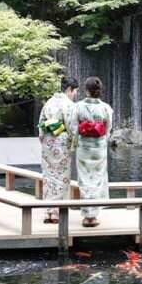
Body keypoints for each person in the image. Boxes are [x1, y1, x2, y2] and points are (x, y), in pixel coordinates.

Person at [70, 76, 113, 227]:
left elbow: (73, 128)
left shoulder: (78, 107)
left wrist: (74, 145)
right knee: (97, 179)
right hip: (99, 148)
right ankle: (93, 215)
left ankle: (87, 214)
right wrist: (102, 139)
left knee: (85, 179)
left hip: (84, 148)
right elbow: (108, 129)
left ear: (86, 90)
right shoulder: (105, 108)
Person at [38, 76, 78, 224]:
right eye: (75, 91)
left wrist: (44, 140)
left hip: (48, 143)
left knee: (49, 176)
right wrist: (74, 143)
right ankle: (56, 212)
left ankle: (48, 210)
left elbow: (41, 124)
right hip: (61, 143)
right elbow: (73, 127)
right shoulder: (69, 105)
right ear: (70, 89)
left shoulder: (49, 102)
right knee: (62, 177)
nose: (74, 95)